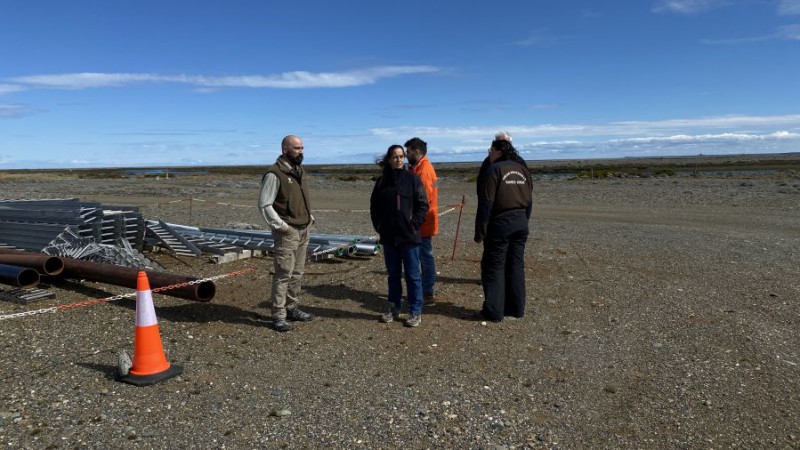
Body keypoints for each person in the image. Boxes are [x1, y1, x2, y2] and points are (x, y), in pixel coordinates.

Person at [258, 135, 315, 332]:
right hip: (287, 232)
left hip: (304, 229)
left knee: (297, 273)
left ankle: (292, 308)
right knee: (283, 274)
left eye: (302, 147)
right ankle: (278, 315)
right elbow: (265, 205)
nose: (301, 151)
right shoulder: (275, 174)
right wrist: (282, 227)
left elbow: (300, 200)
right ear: (285, 149)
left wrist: (310, 217)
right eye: (297, 148)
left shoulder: (299, 171)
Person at [474, 138, 533, 322]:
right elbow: (530, 199)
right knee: (515, 266)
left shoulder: (494, 170)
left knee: (494, 267)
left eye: (490, 150)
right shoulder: (522, 168)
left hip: (501, 222)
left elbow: (486, 203)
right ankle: (516, 308)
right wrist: (525, 220)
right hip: (520, 221)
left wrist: (480, 231)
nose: (488, 153)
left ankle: (494, 310)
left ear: (498, 151)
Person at [370, 145, 429, 327]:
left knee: (413, 275)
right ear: (389, 159)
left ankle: (415, 311)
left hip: (409, 236)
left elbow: (422, 204)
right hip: (389, 237)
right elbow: (374, 208)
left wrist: (413, 224)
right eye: (395, 156)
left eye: (401, 156)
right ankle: (393, 307)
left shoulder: (412, 179)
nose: (398, 159)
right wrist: (380, 226)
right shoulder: (381, 182)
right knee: (393, 275)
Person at [404, 137, 438, 306]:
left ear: (417, 151)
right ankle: (424, 291)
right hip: (422, 220)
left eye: (408, 151)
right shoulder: (417, 168)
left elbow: (421, 200)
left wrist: (413, 221)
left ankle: (427, 292)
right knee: (423, 255)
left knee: (425, 256)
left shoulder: (423, 171)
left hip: (422, 222)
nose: (406, 155)